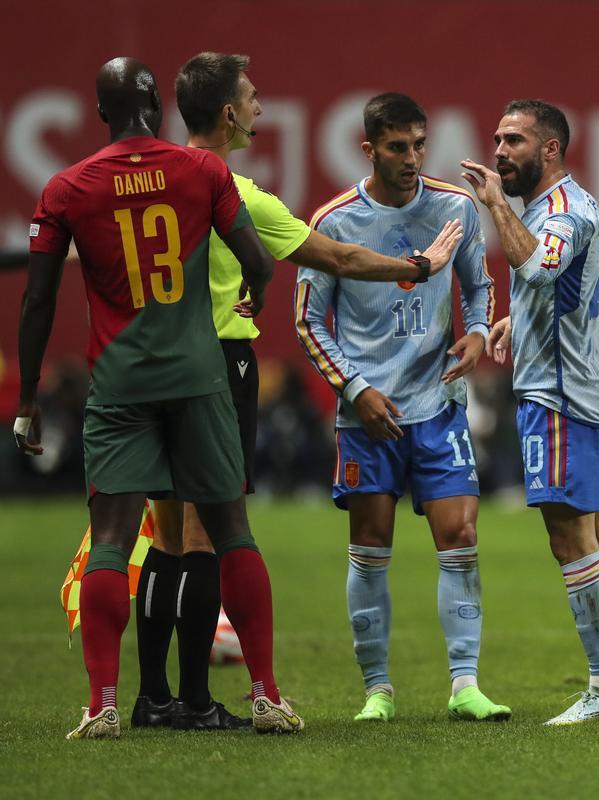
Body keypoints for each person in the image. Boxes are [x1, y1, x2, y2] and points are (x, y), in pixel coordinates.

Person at [127, 52, 464, 733]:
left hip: (144, 364)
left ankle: (149, 695)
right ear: (227, 113)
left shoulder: (147, 182)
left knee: (161, 536)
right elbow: (335, 257)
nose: (259, 108)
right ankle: (196, 699)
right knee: (209, 535)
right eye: (251, 99)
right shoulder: (236, 192)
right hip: (214, 365)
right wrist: (418, 264)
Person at [16, 57, 301, 738]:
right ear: (156, 102)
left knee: (115, 541)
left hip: (119, 385)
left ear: (99, 114)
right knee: (231, 531)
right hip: (199, 378)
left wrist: (28, 398)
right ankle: (264, 694)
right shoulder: (202, 172)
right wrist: (254, 290)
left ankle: (104, 703)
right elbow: (258, 261)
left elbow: (37, 300)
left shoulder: (66, 188)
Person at [462, 100, 599, 725]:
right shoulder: (582, 205)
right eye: (498, 139)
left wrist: (496, 203)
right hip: (595, 391)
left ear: (549, 149)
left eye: (515, 141)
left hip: (561, 400)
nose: (500, 151)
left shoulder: (558, 214)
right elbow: (595, 290)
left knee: (570, 539)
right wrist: (519, 321)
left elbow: (535, 263)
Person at [297, 93, 508, 723]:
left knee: (462, 536)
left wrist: (475, 331)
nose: (413, 158)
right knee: (370, 544)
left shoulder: (456, 207)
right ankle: (378, 690)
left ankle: (465, 685)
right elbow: (309, 323)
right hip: (368, 413)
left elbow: (479, 284)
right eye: (398, 147)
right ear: (369, 149)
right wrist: (356, 390)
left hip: (438, 402)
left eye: (420, 144)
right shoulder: (333, 223)